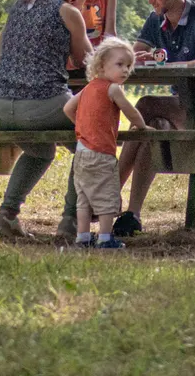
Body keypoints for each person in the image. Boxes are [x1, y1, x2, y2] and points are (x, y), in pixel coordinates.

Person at [113, 0, 195, 236]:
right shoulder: (156, 21)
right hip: (181, 112)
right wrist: (136, 56)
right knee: (155, 127)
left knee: (145, 105)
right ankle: (132, 215)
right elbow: (132, 55)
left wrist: (181, 66)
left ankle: (106, 193)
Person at [0, 0, 91, 239]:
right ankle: (70, 221)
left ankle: (6, 216)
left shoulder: (20, 6)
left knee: (40, 150)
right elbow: (87, 62)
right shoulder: (68, 12)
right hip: (42, 104)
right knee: (90, 138)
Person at [62, 37, 147, 248]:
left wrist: (82, 126)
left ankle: (82, 237)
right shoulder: (113, 89)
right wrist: (142, 126)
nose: (126, 70)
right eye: (120, 65)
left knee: (84, 197)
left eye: (129, 65)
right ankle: (105, 238)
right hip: (101, 152)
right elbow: (131, 111)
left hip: (82, 151)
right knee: (107, 197)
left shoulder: (88, 88)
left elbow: (67, 109)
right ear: (101, 66)